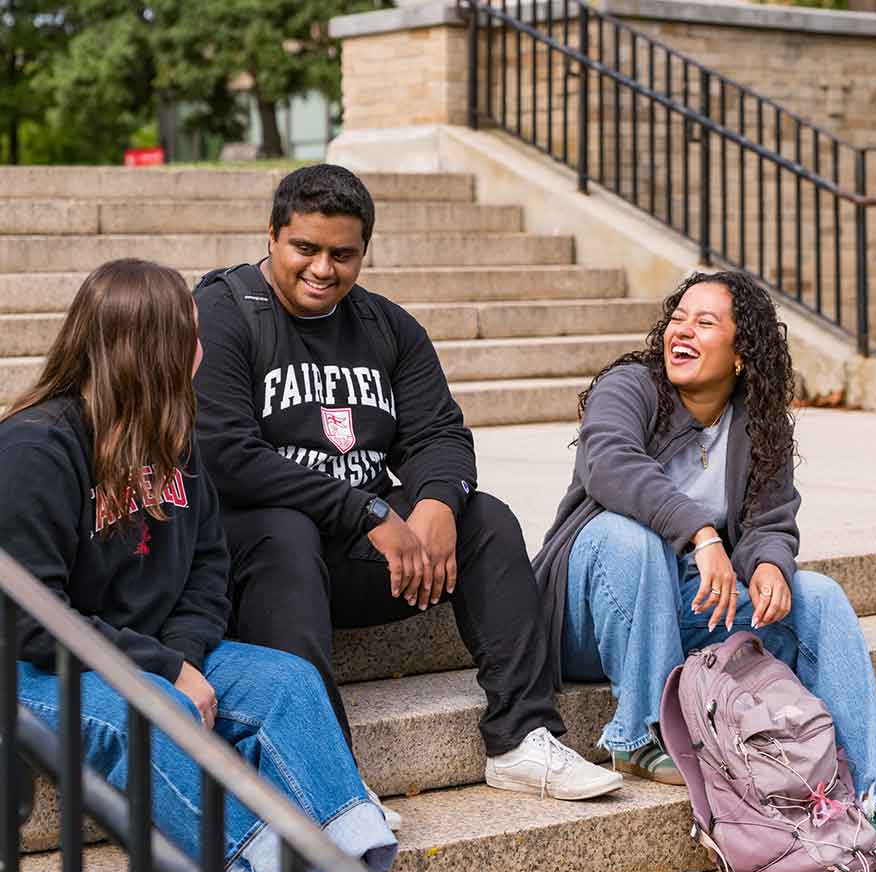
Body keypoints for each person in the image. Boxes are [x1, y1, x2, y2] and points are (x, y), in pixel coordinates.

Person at [192, 164, 622, 823]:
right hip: (258, 564)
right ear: (272, 236)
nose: (322, 268)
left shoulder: (386, 326)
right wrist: (363, 508)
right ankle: (328, 776)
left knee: (487, 519)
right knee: (285, 529)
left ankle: (521, 737)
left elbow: (441, 433)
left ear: (364, 250)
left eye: (343, 253)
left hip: (370, 557)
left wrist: (435, 505)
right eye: (305, 248)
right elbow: (225, 456)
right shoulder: (223, 312)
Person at [1, 259, 397, 872]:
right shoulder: (34, 448)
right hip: (36, 668)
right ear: (150, 349)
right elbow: (31, 620)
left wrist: (183, 656)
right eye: (191, 334)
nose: (204, 349)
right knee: (154, 709)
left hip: (151, 652)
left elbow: (210, 568)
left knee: (287, 682)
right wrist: (165, 671)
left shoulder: (174, 438)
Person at [532, 270, 876, 864]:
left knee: (817, 595)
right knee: (629, 536)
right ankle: (639, 733)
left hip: (685, 612)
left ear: (742, 355)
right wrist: (701, 532)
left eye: (704, 322)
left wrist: (769, 562)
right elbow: (608, 465)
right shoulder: (631, 385)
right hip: (591, 613)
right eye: (678, 318)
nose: (681, 331)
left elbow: (771, 518)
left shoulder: (756, 424)